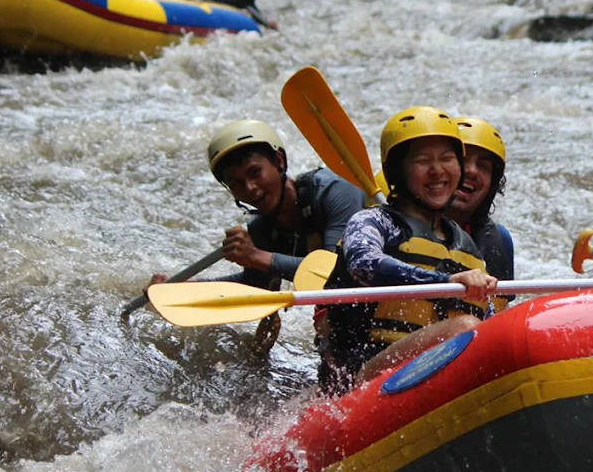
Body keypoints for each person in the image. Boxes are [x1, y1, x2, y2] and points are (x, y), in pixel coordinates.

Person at [319, 107, 496, 393]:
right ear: (398, 172)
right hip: (360, 378)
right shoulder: (374, 221)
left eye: (447, 159)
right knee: (464, 328)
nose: (437, 170)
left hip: (433, 373)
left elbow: (489, 321)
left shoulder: (467, 246)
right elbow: (363, 263)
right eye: (423, 161)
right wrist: (444, 282)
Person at [150, 119, 366, 352]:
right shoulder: (262, 228)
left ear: (279, 161)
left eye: (255, 173)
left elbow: (335, 274)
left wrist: (255, 255)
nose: (250, 188)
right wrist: (183, 289)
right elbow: (254, 285)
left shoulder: (336, 192)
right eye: (237, 183)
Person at [449, 116, 515, 281]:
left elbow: (503, 306)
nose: (472, 171)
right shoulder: (392, 229)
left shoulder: (499, 239)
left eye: (483, 166)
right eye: (463, 160)